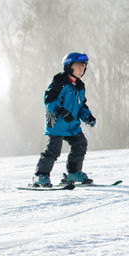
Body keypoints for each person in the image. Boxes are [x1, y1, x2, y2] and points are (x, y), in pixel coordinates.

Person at [31, 52, 97, 187]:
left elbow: (81, 105)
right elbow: (49, 100)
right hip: (58, 124)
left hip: (72, 125)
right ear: (68, 67)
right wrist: (61, 111)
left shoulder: (80, 86)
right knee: (54, 149)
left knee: (80, 144)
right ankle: (40, 175)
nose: (81, 70)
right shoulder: (59, 82)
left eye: (83, 67)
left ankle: (73, 172)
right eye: (78, 67)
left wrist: (87, 116)